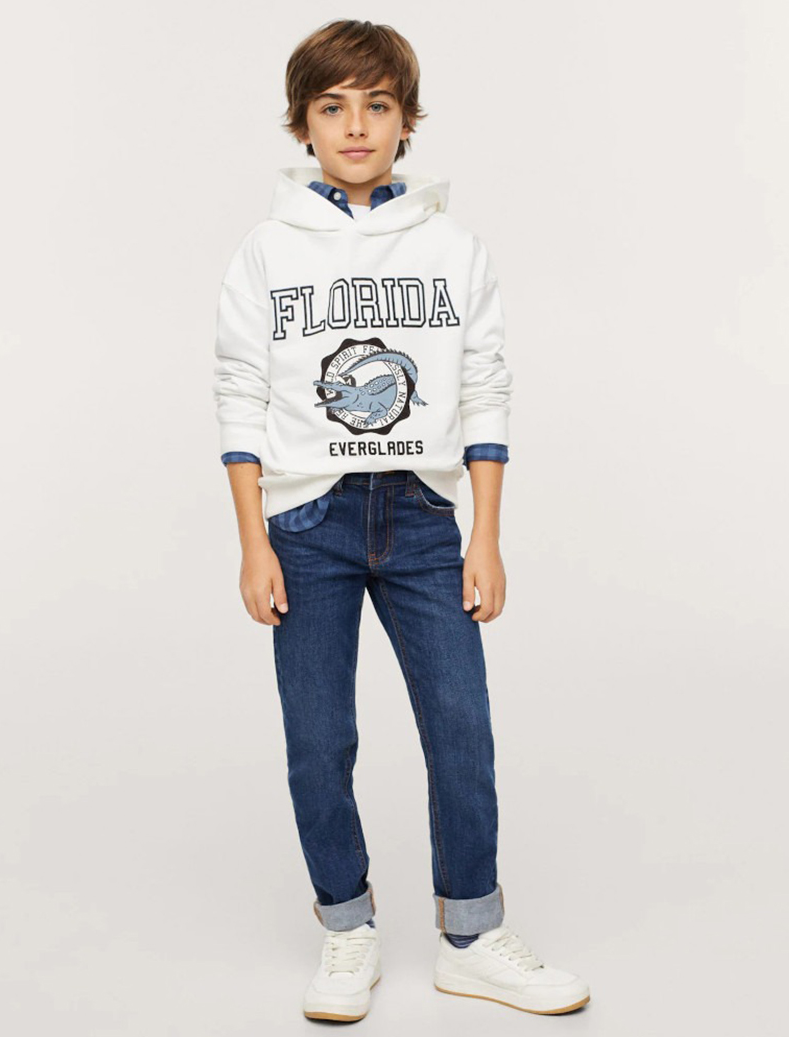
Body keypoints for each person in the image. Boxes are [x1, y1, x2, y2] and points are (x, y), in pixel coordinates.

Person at [212, 18, 590, 1023]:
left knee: (460, 725)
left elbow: (486, 388)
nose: (355, 125)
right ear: (301, 124)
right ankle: (347, 927)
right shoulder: (266, 251)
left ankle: (471, 934)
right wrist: (252, 541)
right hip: (306, 521)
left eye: (376, 105)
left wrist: (485, 534)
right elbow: (240, 394)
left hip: (422, 517)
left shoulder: (453, 248)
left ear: (406, 121)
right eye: (332, 106)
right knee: (318, 738)